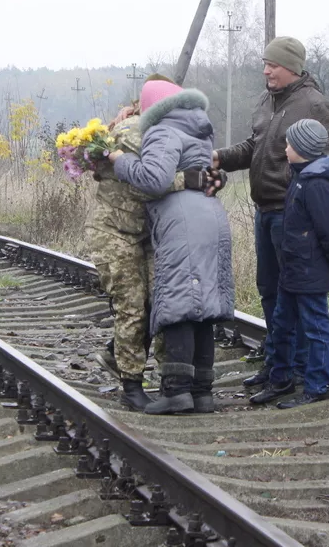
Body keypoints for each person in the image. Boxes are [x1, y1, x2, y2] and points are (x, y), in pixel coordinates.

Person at [212, 36, 329, 388]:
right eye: (264, 63)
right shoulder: (265, 101)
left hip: (294, 216)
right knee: (270, 290)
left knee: (295, 293)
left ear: (292, 67)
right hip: (264, 210)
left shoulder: (315, 106)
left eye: (273, 64)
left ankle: (300, 367)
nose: (266, 70)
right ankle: (279, 361)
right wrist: (219, 157)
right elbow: (256, 146)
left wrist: (311, 213)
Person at [86, 74, 214, 411]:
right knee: (132, 306)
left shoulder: (168, 130)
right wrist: (187, 179)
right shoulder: (131, 133)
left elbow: (193, 163)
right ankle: (131, 384)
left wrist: (211, 173)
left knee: (162, 304)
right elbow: (149, 180)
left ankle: (170, 382)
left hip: (151, 232)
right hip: (115, 232)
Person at [111, 81, 234, 415]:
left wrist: (119, 161)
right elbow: (210, 173)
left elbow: (154, 179)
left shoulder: (163, 131)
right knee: (203, 309)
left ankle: (177, 390)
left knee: (182, 305)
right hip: (211, 217)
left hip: (182, 221)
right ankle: (202, 392)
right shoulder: (198, 129)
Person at [250, 119, 329, 408]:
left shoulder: (316, 184)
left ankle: (316, 386)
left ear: (302, 149)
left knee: (315, 328)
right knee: (282, 323)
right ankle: (281, 378)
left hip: (310, 270)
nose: (285, 147)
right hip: (292, 268)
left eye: (290, 143)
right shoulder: (300, 176)